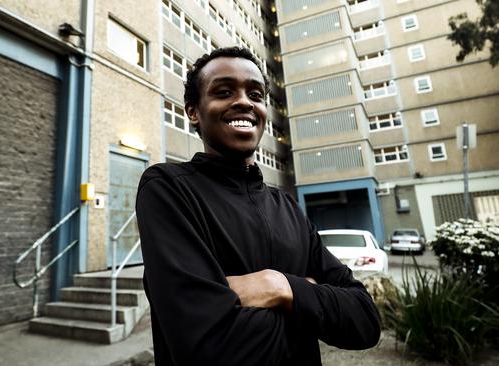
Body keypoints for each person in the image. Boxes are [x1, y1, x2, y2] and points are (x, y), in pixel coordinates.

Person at [135, 47, 381, 366]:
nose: (244, 101)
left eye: (255, 93)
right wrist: (309, 301)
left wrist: (278, 286)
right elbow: (209, 348)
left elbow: (364, 320)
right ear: (193, 111)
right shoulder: (168, 188)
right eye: (224, 92)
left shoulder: (288, 208)